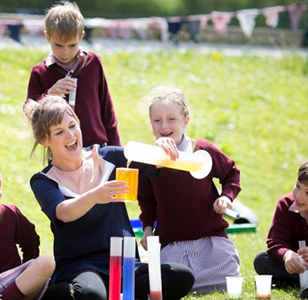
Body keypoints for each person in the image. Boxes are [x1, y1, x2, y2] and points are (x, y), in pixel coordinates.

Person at [23, 95, 194, 300]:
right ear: (45, 140)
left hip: (126, 264)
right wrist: (96, 195)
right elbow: (63, 212)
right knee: (91, 295)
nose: (70, 135)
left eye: (72, 126)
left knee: (181, 276)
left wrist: (164, 145)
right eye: (59, 132)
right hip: (81, 266)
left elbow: (156, 160)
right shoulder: (44, 180)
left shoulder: (108, 157)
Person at [138, 86, 242, 294]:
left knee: (227, 276)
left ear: (185, 121)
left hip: (210, 241)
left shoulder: (202, 151)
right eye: (157, 120)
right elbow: (147, 201)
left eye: (171, 119)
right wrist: (148, 230)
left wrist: (226, 197)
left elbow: (231, 173)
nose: (164, 126)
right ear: (151, 125)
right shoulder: (147, 159)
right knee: (174, 279)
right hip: (172, 244)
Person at [26, 1, 121, 148]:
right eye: (58, 45)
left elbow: (106, 107)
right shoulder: (40, 72)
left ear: (81, 37)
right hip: (61, 150)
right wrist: (49, 95)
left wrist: (115, 148)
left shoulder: (93, 63)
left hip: (97, 148)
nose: (65, 52)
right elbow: (31, 114)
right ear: (47, 37)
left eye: (72, 45)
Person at [254, 160, 308, 299]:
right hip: (295, 266)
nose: (298, 195)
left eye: (307, 193)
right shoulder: (285, 204)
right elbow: (275, 240)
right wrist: (287, 255)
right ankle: (299, 281)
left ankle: (289, 281)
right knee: (261, 260)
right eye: (297, 186)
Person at [0, 170, 55, 300]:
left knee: (46, 263)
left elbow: (31, 241)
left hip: (12, 284)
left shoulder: (10, 213)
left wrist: (25, 275)